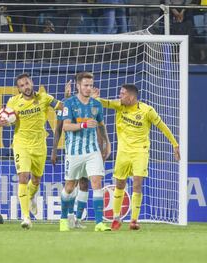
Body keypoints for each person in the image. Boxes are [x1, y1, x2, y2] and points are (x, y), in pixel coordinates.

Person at [93, 84, 180, 230]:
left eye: (122, 94)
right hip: (123, 152)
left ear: (132, 96)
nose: (120, 96)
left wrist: (175, 144)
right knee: (120, 184)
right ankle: (116, 217)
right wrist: (95, 98)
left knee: (137, 183)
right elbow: (105, 102)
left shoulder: (147, 110)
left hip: (140, 151)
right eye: (120, 93)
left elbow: (162, 126)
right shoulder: (119, 106)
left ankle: (134, 220)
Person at [0, 73, 63, 229]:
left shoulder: (44, 98)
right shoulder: (13, 102)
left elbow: (61, 107)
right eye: (21, 85)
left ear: (32, 83)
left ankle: (31, 196)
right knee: (23, 177)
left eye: (27, 83)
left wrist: (65, 100)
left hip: (40, 145)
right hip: (21, 144)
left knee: (37, 180)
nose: (25, 87)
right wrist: (1, 123)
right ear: (18, 88)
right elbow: (7, 119)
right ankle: (26, 217)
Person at [59, 72, 111, 232]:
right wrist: (83, 125)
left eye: (91, 85)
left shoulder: (97, 105)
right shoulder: (69, 103)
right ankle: (63, 218)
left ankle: (98, 223)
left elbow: (101, 125)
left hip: (92, 151)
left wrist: (107, 143)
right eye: (85, 85)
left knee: (96, 183)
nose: (89, 88)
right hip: (73, 152)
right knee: (69, 187)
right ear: (78, 86)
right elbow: (66, 126)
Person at [51, 79, 88, 229]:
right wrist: (54, 150)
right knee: (71, 185)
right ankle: (69, 216)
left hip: (89, 150)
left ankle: (78, 220)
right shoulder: (66, 105)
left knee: (85, 183)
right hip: (72, 150)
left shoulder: (91, 103)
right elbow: (59, 129)